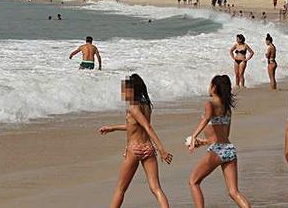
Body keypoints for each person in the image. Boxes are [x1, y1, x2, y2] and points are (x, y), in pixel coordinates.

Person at [99, 74, 173, 207]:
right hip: (148, 149)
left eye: (125, 89)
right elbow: (134, 126)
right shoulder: (146, 106)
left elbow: (147, 127)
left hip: (134, 149)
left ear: (132, 90)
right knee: (156, 188)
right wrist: (113, 128)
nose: (123, 92)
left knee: (120, 189)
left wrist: (162, 150)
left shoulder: (133, 107)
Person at [185, 75, 250, 208]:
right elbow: (223, 135)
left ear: (214, 87)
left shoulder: (210, 104)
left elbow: (206, 118)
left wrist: (193, 136)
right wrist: (202, 142)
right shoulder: (227, 108)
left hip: (217, 150)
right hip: (229, 149)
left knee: (193, 181)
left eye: (210, 84)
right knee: (233, 192)